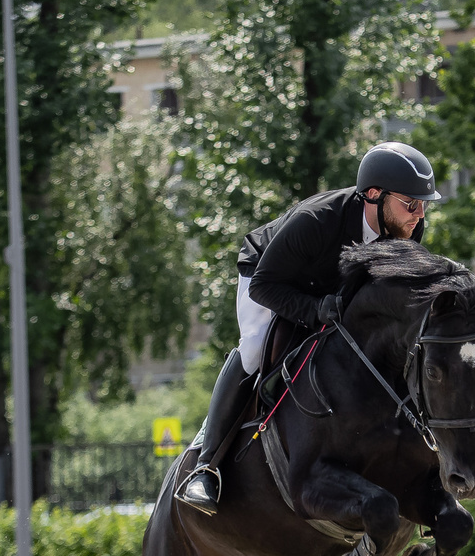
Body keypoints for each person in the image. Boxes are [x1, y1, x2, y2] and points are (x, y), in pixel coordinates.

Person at [173, 142, 441, 514]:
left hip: (327, 287)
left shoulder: (407, 228)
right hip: (268, 275)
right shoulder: (318, 219)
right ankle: (206, 467)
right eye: (411, 203)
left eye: (424, 204)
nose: (419, 214)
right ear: (374, 195)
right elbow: (265, 286)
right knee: (254, 346)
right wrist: (314, 309)